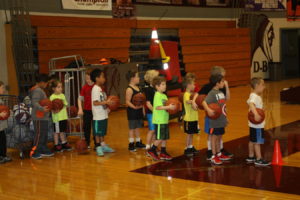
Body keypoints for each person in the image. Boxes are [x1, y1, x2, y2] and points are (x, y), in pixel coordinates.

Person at [193, 66, 233, 160]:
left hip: (219, 116)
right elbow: (198, 94)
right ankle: (210, 151)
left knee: (218, 134)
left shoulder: (221, 87)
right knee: (211, 134)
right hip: (211, 117)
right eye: (223, 77)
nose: (224, 80)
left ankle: (220, 150)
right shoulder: (209, 87)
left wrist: (227, 86)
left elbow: (227, 99)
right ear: (217, 78)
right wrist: (194, 102)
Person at [202, 74, 231, 165]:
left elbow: (223, 107)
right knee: (214, 138)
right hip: (214, 121)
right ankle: (213, 156)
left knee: (219, 137)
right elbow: (204, 102)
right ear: (217, 83)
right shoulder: (212, 93)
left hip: (221, 120)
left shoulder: (221, 93)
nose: (223, 82)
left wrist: (225, 118)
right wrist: (208, 109)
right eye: (222, 81)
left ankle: (219, 153)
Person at [147, 76, 175, 161]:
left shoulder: (164, 95)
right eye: (163, 84)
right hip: (159, 120)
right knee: (160, 137)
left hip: (164, 119)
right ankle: (152, 150)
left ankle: (163, 152)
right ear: (157, 86)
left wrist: (172, 108)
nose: (165, 86)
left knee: (164, 137)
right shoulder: (157, 95)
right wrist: (168, 107)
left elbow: (166, 107)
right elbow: (158, 107)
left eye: (165, 84)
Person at [246, 77, 270, 166]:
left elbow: (249, 103)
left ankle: (251, 156)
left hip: (253, 124)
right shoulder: (254, 96)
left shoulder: (253, 95)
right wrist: (256, 114)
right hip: (257, 125)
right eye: (262, 85)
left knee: (252, 140)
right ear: (256, 86)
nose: (264, 87)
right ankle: (259, 159)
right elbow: (251, 104)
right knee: (257, 142)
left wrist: (261, 110)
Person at [91, 69, 115, 157]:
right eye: (102, 77)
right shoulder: (95, 89)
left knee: (102, 132)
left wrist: (107, 108)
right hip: (97, 116)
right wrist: (106, 102)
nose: (104, 78)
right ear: (97, 78)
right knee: (97, 133)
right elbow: (95, 102)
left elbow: (102, 101)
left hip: (103, 114)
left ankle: (103, 145)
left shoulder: (100, 89)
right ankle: (98, 147)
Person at [30, 74, 54, 159]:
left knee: (44, 134)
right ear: (42, 82)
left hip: (43, 116)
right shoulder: (37, 90)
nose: (47, 85)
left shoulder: (40, 90)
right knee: (39, 134)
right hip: (38, 117)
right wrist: (42, 108)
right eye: (46, 83)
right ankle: (34, 151)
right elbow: (34, 102)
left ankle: (42, 149)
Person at [49, 80, 72, 152]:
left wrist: (60, 104)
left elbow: (65, 104)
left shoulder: (62, 95)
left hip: (63, 117)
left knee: (62, 131)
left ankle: (64, 143)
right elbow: (50, 107)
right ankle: (56, 144)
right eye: (58, 87)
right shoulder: (52, 97)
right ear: (53, 88)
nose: (60, 88)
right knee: (56, 132)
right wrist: (54, 109)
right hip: (57, 118)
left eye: (61, 87)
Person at [125, 70, 146, 152]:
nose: (139, 78)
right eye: (137, 76)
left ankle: (138, 142)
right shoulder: (129, 89)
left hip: (139, 110)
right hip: (132, 111)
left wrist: (143, 109)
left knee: (137, 127)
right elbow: (127, 101)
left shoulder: (138, 88)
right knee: (132, 128)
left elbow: (142, 100)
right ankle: (131, 144)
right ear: (132, 78)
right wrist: (134, 107)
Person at [182, 76, 200, 156]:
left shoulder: (191, 94)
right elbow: (188, 101)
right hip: (188, 119)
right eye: (193, 84)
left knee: (192, 134)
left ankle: (190, 146)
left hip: (194, 118)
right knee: (189, 135)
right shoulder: (186, 94)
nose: (194, 86)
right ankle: (186, 149)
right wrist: (193, 101)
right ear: (188, 85)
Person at [78, 68, 95, 148]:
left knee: (96, 128)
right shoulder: (84, 87)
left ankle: (97, 143)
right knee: (87, 128)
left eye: (88, 78)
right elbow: (79, 99)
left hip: (96, 111)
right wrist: (80, 109)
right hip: (87, 110)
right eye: (86, 78)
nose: (87, 80)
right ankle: (87, 143)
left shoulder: (97, 87)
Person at [143, 70, 159, 150]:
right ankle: (148, 146)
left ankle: (153, 146)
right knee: (152, 130)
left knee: (155, 130)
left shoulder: (156, 89)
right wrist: (154, 111)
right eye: (157, 77)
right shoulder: (148, 90)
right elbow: (148, 104)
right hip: (151, 113)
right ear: (152, 79)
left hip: (156, 112)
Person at [0, 81, 11, 163]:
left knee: (3, 140)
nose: (4, 89)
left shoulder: (0, 99)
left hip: (2, 126)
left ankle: (3, 155)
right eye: (2, 87)